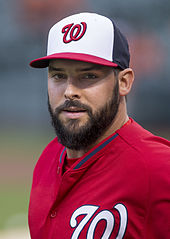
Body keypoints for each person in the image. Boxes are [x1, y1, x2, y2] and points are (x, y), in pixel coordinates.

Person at [28, 12, 170, 239]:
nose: (69, 91)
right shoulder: (48, 158)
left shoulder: (158, 167)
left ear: (124, 82)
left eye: (89, 76)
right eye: (58, 76)